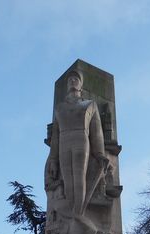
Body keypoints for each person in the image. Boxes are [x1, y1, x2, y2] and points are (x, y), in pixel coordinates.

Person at [46, 69, 109, 217]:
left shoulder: (90, 104)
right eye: (70, 80)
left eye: (76, 79)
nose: (73, 81)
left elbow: (97, 132)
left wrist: (99, 154)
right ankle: (73, 215)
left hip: (81, 140)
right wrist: (53, 160)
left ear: (81, 85)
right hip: (64, 143)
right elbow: (55, 137)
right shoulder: (59, 108)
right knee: (68, 182)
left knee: (80, 180)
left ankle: (78, 214)